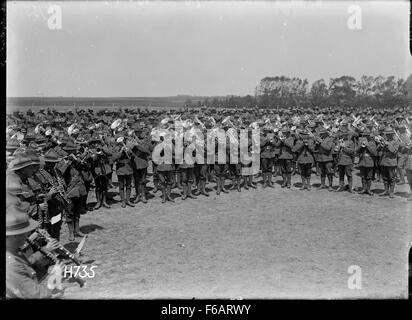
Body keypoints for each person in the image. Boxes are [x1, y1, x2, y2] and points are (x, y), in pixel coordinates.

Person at [6, 206, 65, 299]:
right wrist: (53, 278)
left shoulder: (13, 252)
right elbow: (35, 294)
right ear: (14, 236)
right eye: (25, 232)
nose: (28, 234)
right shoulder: (12, 263)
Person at [113, 137, 135, 208]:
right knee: (121, 186)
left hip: (128, 168)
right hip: (120, 170)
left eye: (123, 141)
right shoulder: (116, 148)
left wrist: (129, 151)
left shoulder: (128, 147)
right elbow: (114, 158)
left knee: (128, 185)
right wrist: (121, 151)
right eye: (120, 142)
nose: (122, 143)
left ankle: (128, 200)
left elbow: (133, 157)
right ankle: (123, 200)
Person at [378, 127, 399, 198]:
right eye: (386, 134)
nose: (387, 135)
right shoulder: (384, 140)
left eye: (389, 134)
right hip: (383, 161)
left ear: (392, 134)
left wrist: (388, 144)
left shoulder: (396, 141)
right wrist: (380, 145)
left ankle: (391, 192)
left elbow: (394, 151)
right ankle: (386, 191)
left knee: (392, 178)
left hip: (391, 162)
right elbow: (377, 150)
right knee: (385, 177)